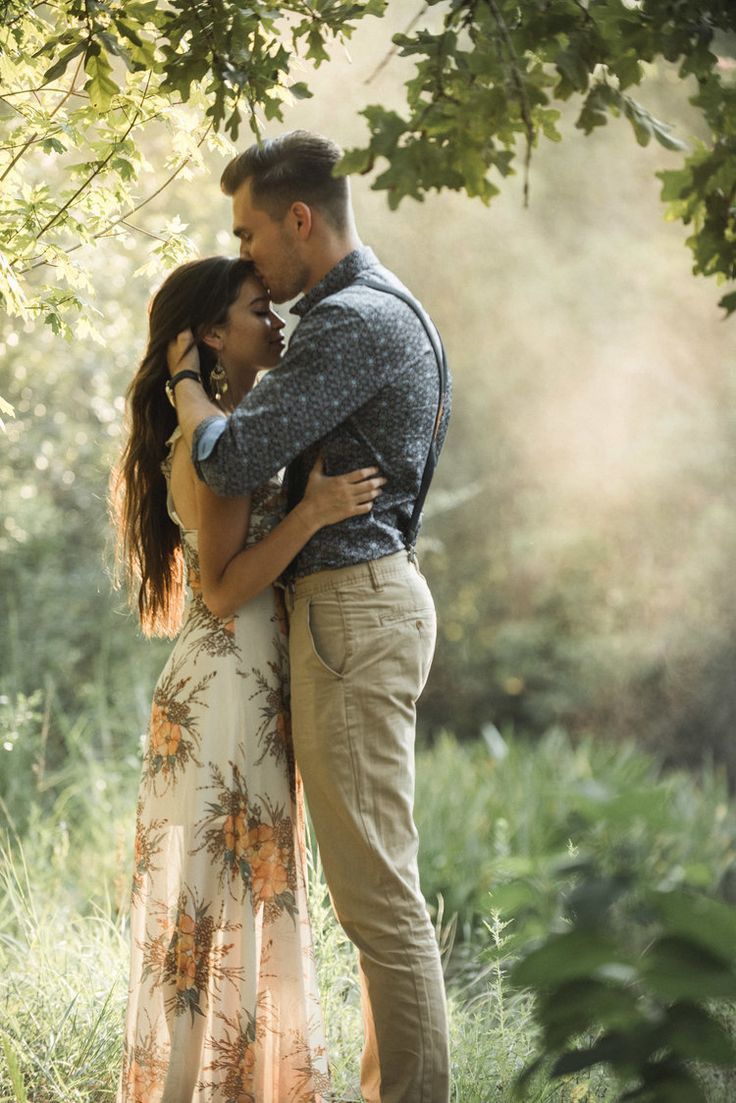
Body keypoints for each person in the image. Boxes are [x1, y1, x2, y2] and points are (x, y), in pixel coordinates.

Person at [168, 130, 452, 1103]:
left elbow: (230, 461)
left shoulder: (347, 322)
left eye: (250, 232)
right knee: (376, 890)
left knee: (376, 896)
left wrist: (184, 386)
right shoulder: (383, 305)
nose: (246, 254)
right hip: (355, 601)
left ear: (300, 219)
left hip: (352, 603)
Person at [113, 254, 386, 1103]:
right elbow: (226, 588)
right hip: (226, 688)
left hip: (236, 684)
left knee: (239, 894)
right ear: (210, 337)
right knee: (219, 901)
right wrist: (311, 511)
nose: (277, 322)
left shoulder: (224, 422)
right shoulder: (210, 443)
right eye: (257, 308)